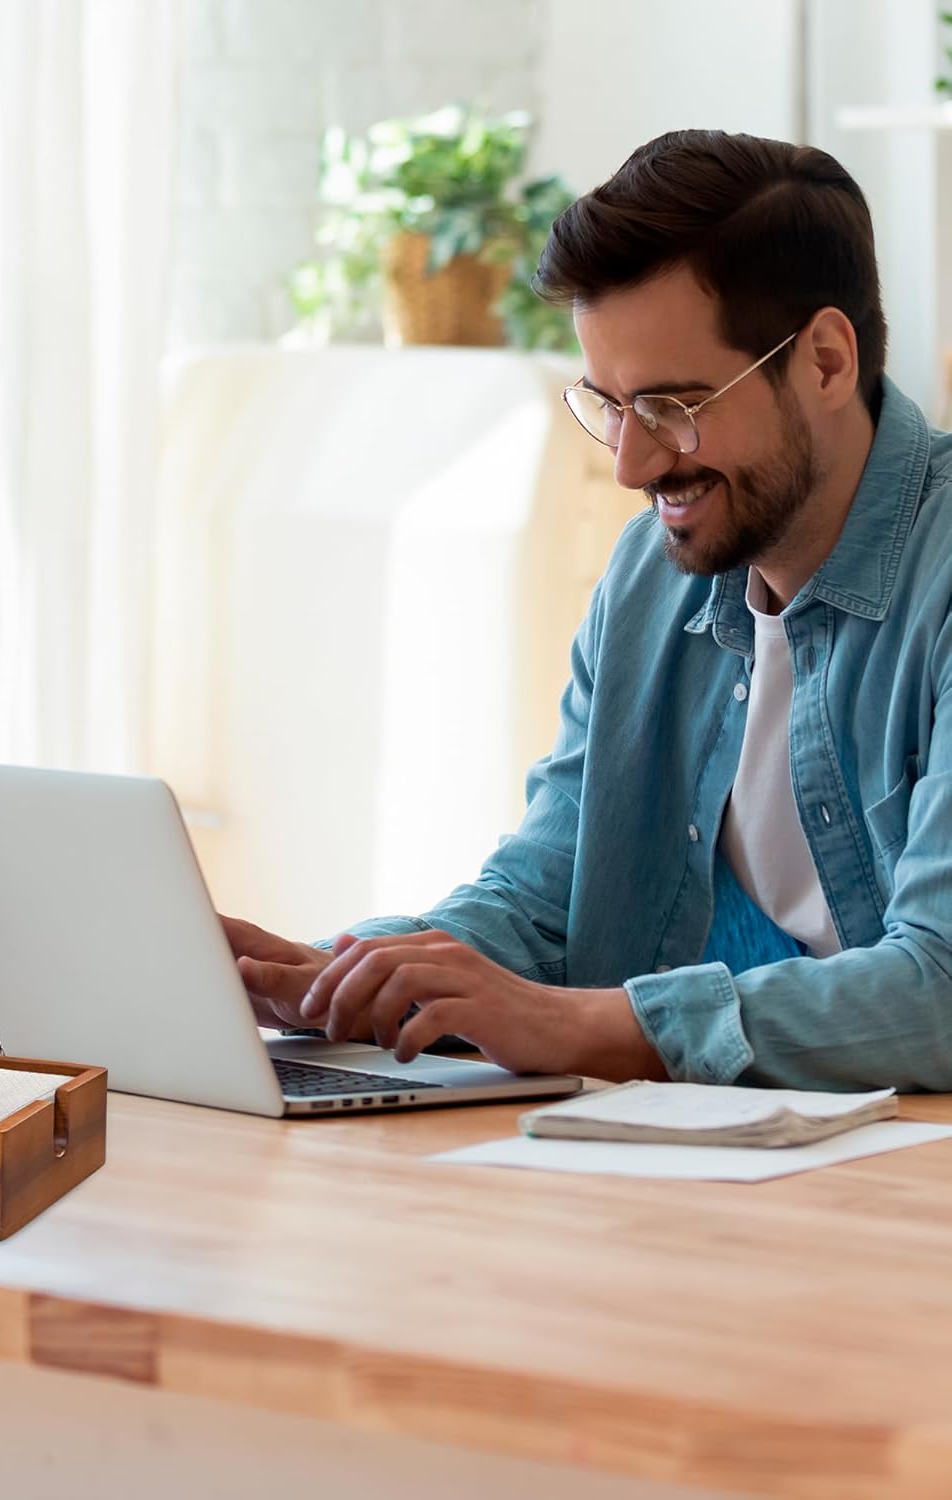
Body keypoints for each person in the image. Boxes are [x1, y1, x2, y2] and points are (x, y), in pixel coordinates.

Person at [223, 128, 952, 1092]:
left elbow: (940, 987)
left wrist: (578, 1025)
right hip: (713, 1175)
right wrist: (354, 974)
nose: (631, 465)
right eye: (609, 405)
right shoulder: (651, 579)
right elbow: (551, 891)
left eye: (671, 407)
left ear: (822, 362)